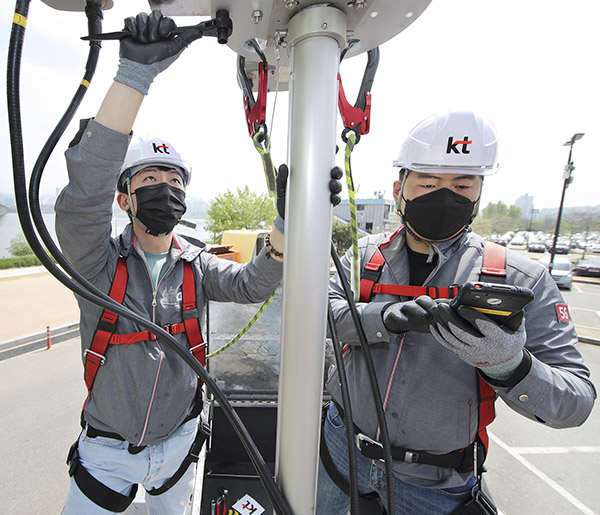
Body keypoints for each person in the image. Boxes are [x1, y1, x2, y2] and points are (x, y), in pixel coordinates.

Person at [56, 11, 286, 514]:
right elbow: (81, 202)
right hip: (107, 454)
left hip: (181, 446)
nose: (166, 189)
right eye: (149, 180)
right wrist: (134, 76)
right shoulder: (98, 266)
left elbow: (250, 285)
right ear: (124, 200)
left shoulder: (197, 266)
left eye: (175, 181)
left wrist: (284, 234)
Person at [317, 110, 596, 514]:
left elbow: (577, 401)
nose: (445, 196)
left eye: (462, 184)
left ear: (479, 194)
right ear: (400, 189)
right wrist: (387, 320)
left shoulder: (521, 280)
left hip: (435, 483)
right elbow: (325, 315)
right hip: (344, 450)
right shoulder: (365, 257)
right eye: (429, 183)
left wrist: (509, 366)